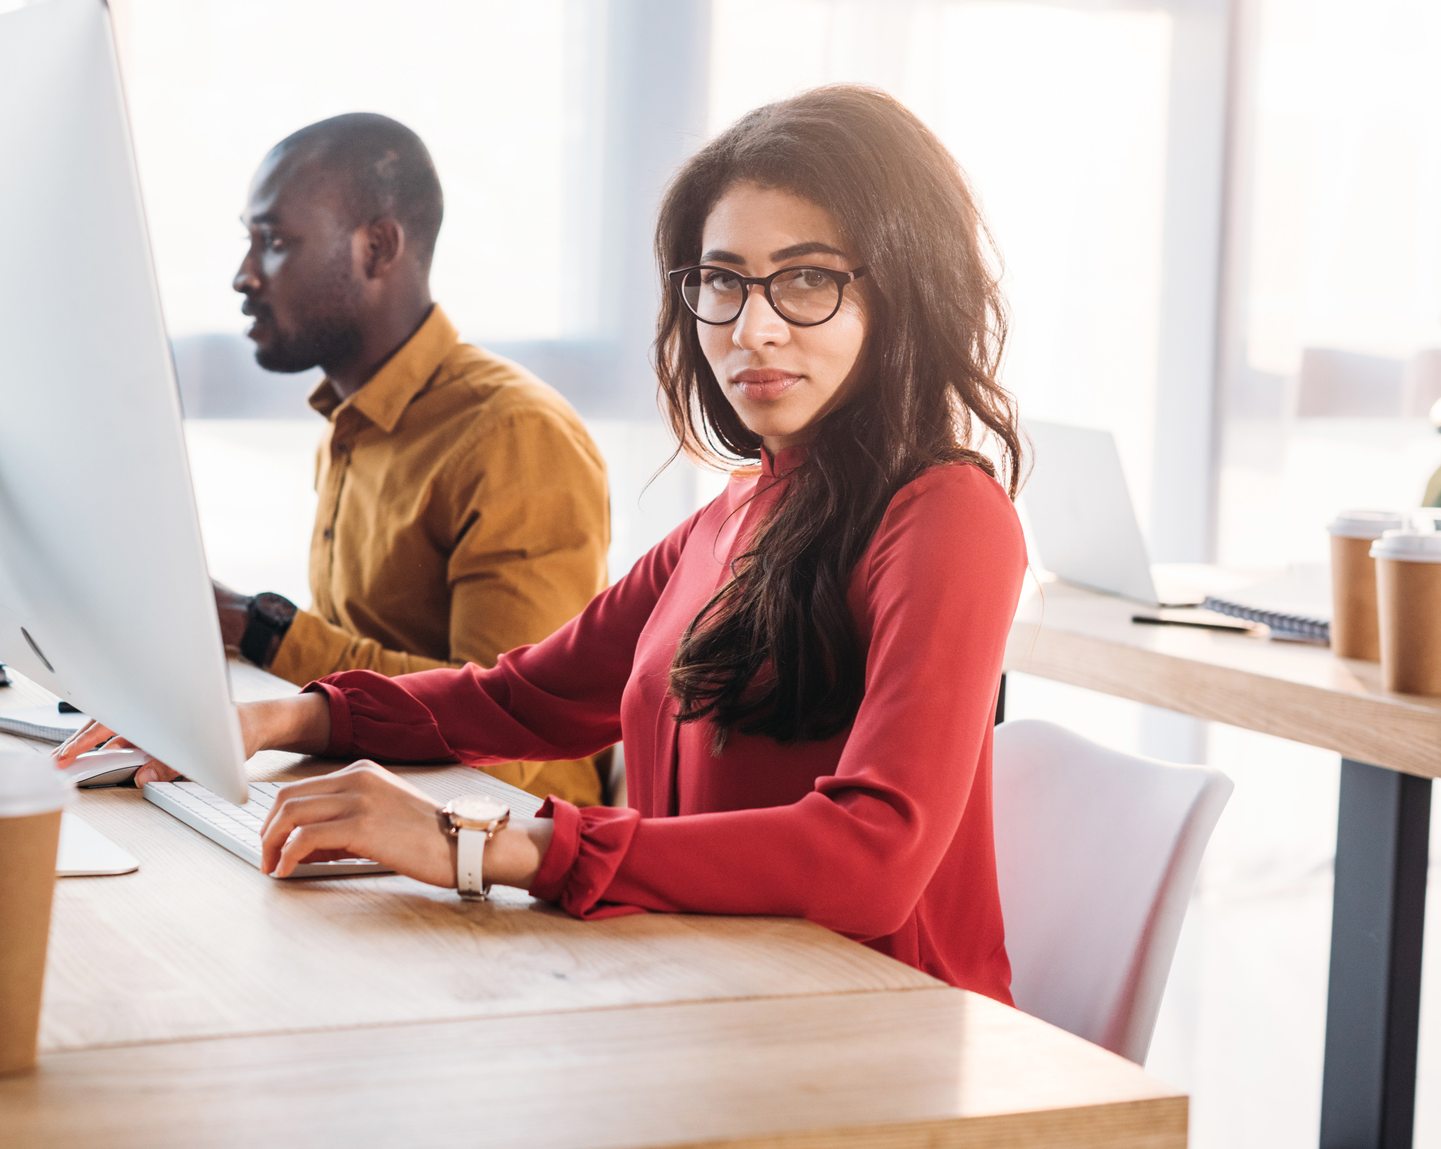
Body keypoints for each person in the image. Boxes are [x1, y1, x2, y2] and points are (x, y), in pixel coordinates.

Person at [64, 86, 1026, 999]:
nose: (753, 329)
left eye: (807, 279)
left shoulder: (947, 517)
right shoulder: (734, 515)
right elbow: (523, 696)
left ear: (904, 286)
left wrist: (479, 842)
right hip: (700, 989)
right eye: (721, 282)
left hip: (877, 1037)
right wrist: (271, 722)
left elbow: (873, 858)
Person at [205, 112, 612, 807]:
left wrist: (259, 627)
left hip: (501, 851)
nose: (244, 275)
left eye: (273, 242)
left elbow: (508, 732)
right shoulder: (352, 415)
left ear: (378, 247)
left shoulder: (511, 435)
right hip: (382, 801)